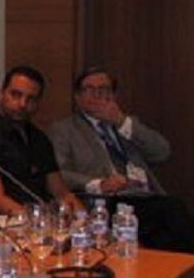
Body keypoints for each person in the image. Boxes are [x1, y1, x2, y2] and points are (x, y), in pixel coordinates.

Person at [49, 66, 193, 252]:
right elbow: (57, 173)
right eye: (90, 89)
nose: (98, 94)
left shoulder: (127, 123)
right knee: (172, 210)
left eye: (104, 89)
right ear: (77, 97)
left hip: (143, 196)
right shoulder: (64, 129)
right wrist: (98, 184)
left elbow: (163, 152)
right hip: (106, 202)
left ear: (114, 95)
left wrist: (121, 121)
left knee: (169, 227)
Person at [0, 65, 81, 216]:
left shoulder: (39, 138)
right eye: (16, 95)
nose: (23, 104)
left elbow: (61, 193)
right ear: (2, 94)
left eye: (31, 99)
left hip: (42, 222)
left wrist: (84, 220)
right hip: (5, 225)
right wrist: (37, 222)